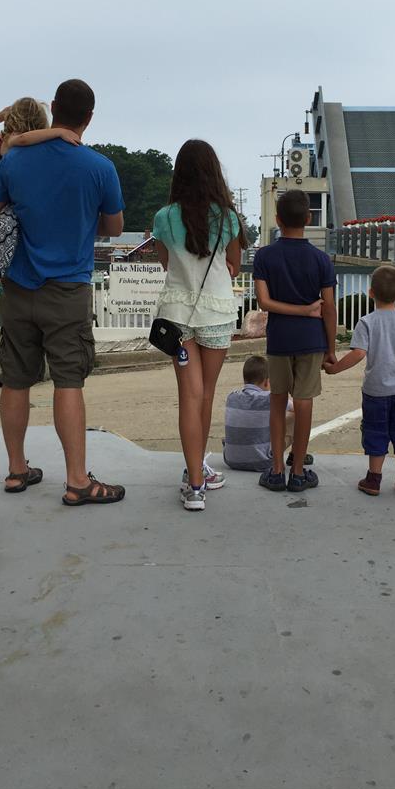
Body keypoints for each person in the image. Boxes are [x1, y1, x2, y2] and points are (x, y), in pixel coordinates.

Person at [0, 79, 126, 506]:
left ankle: (16, 470)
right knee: (68, 381)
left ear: (54, 107)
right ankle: (77, 480)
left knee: (16, 379)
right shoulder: (99, 167)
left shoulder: (13, 160)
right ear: (89, 117)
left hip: (17, 288)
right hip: (67, 289)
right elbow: (115, 228)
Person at [152, 139, 247, 511]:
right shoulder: (228, 218)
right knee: (205, 394)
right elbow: (234, 266)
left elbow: (166, 264)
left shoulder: (164, 218)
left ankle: (194, 484)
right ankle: (200, 470)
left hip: (177, 315)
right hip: (217, 314)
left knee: (188, 396)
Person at [252, 189, 337, 494]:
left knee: (277, 401)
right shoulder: (321, 259)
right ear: (309, 219)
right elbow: (329, 308)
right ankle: (298, 472)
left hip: (279, 339)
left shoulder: (264, 256)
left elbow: (264, 302)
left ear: (278, 220)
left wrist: (295, 310)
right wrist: (331, 348)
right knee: (303, 403)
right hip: (311, 340)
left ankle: (276, 471)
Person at [324, 264, 395, 497]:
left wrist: (335, 368)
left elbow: (358, 353)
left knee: (376, 432)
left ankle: (374, 479)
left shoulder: (366, 322)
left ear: (371, 293)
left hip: (376, 392)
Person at [0, 99, 80, 309]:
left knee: (3, 236)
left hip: (1, 201)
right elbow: (22, 139)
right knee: (10, 229)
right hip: (22, 201)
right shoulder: (23, 143)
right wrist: (58, 132)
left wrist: (0, 115)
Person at [222, 355, 306, 472]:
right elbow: (297, 410)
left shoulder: (232, 397)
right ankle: (295, 454)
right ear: (267, 382)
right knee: (295, 416)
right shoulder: (269, 398)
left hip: (231, 460)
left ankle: (238, 450)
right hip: (263, 461)